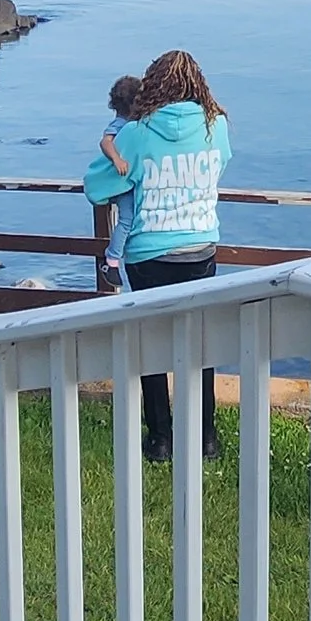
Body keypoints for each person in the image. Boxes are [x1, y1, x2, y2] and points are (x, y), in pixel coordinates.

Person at [85, 48, 230, 461]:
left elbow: (97, 186)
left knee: (151, 344)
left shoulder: (138, 131)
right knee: (200, 345)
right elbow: (222, 164)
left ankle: (162, 439)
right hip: (200, 248)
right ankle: (205, 438)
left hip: (149, 254)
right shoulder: (215, 126)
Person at [97, 74, 148, 283]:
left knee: (134, 217)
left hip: (130, 179)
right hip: (122, 182)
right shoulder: (120, 123)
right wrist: (117, 159)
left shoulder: (133, 124)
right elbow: (105, 142)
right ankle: (112, 261)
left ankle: (121, 255)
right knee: (126, 219)